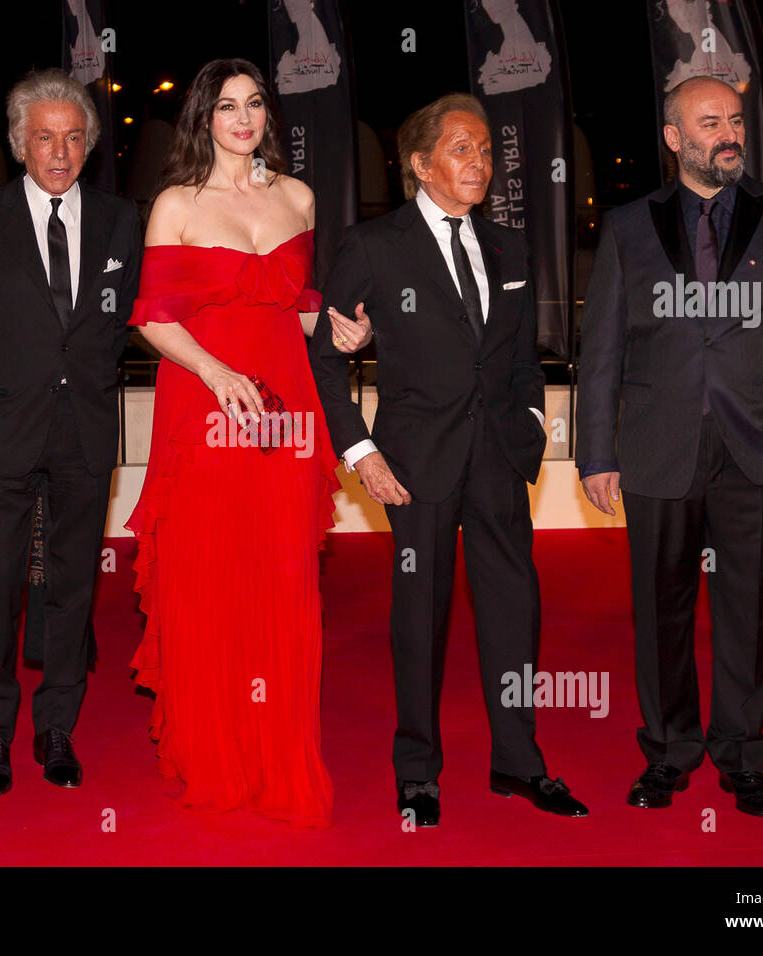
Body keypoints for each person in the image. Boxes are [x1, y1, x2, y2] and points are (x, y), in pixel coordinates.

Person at [309, 92, 588, 827]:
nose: (480, 163)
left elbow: (523, 355)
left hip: (499, 458)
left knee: (514, 612)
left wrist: (530, 419)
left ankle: (518, 762)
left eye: (486, 150)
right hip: (412, 466)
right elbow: (325, 361)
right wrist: (361, 451)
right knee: (420, 619)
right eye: (461, 149)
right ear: (421, 164)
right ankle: (417, 771)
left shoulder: (508, 247)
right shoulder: (373, 247)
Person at [576, 76, 763, 817]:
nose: (728, 131)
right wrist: (597, 450)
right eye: (709, 121)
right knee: (659, 609)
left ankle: (741, 756)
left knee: (749, 609)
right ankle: (667, 753)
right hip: (659, 448)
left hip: (762, 449)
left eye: (734, 119)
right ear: (674, 138)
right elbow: (600, 349)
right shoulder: (629, 225)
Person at [125, 57, 366, 827]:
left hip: (284, 410)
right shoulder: (176, 204)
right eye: (226, 106)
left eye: (254, 104)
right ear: (203, 119)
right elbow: (154, 317)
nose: (242, 117)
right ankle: (215, 754)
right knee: (206, 572)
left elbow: (292, 313)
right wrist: (214, 369)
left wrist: (339, 329)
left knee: (281, 573)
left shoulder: (297, 197)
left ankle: (277, 753)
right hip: (203, 404)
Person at [0, 68, 143, 795]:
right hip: (2, 426)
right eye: (44, 137)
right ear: (19, 144)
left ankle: (57, 728)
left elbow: (141, 315)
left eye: (73, 137)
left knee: (72, 586)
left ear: (89, 145)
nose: (59, 152)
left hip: (86, 432)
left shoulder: (122, 220)